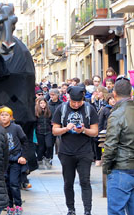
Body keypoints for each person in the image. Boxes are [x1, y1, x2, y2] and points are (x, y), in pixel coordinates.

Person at [52, 86, 99, 215]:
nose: (77, 105)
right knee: (68, 182)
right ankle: (71, 209)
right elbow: (55, 130)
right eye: (74, 102)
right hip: (66, 152)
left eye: (79, 102)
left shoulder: (90, 109)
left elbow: (95, 132)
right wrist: (66, 129)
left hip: (85, 151)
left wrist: (83, 130)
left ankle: (87, 211)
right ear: (69, 98)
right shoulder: (61, 109)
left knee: (85, 181)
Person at [103, 78, 134, 215]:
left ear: (114, 94)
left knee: (116, 210)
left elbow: (110, 145)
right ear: (131, 93)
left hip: (121, 168)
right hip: (127, 166)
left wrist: (106, 167)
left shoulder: (116, 115)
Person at [0, 106, 27, 215]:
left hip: (15, 160)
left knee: (14, 183)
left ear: (11, 117)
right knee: (6, 185)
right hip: (3, 161)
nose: (4, 117)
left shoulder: (16, 128)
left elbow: (25, 142)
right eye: (2, 115)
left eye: (6, 115)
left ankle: (18, 205)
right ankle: (9, 206)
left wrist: (23, 156)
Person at [35, 97, 52, 169]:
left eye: (44, 103)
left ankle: (47, 158)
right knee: (41, 147)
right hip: (39, 132)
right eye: (41, 103)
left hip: (48, 131)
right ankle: (39, 160)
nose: (43, 104)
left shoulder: (48, 111)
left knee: (49, 145)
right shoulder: (36, 112)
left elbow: (51, 120)